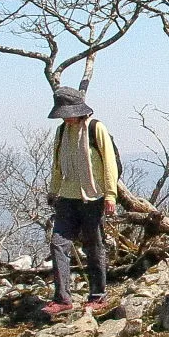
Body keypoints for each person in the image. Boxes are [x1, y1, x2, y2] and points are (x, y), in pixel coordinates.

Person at [44, 87, 118, 317]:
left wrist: (110, 195)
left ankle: (98, 295)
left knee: (93, 246)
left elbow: (109, 164)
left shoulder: (96, 128)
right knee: (58, 243)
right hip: (67, 197)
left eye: (68, 112)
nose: (66, 117)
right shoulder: (61, 132)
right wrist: (53, 191)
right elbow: (57, 165)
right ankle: (62, 298)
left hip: (92, 196)